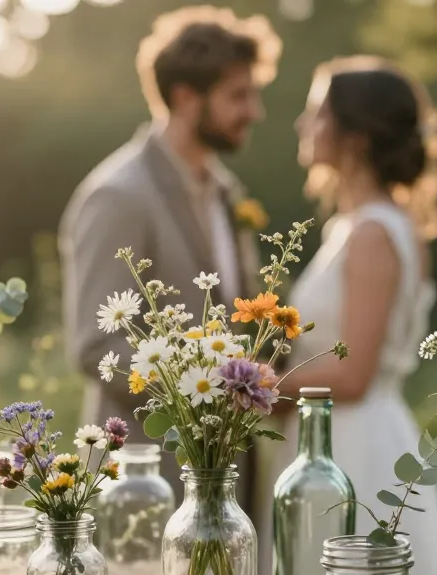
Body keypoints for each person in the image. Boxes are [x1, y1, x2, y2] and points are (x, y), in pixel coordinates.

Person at [60, 6, 282, 502]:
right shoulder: (118, 195)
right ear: (185, 97)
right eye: (238, 96)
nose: (254, 111)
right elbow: (96, 347)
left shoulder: (227, 192)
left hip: (227, 470)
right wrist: (210, 389)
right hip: (146, 478)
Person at [270, 56, 437, 575]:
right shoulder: (352, 227)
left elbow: (353, 373)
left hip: (355, 445)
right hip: (327, 434)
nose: (302, 126)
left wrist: (256, 386)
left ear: (353, 136)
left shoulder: (375, 234)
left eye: (315, 114)